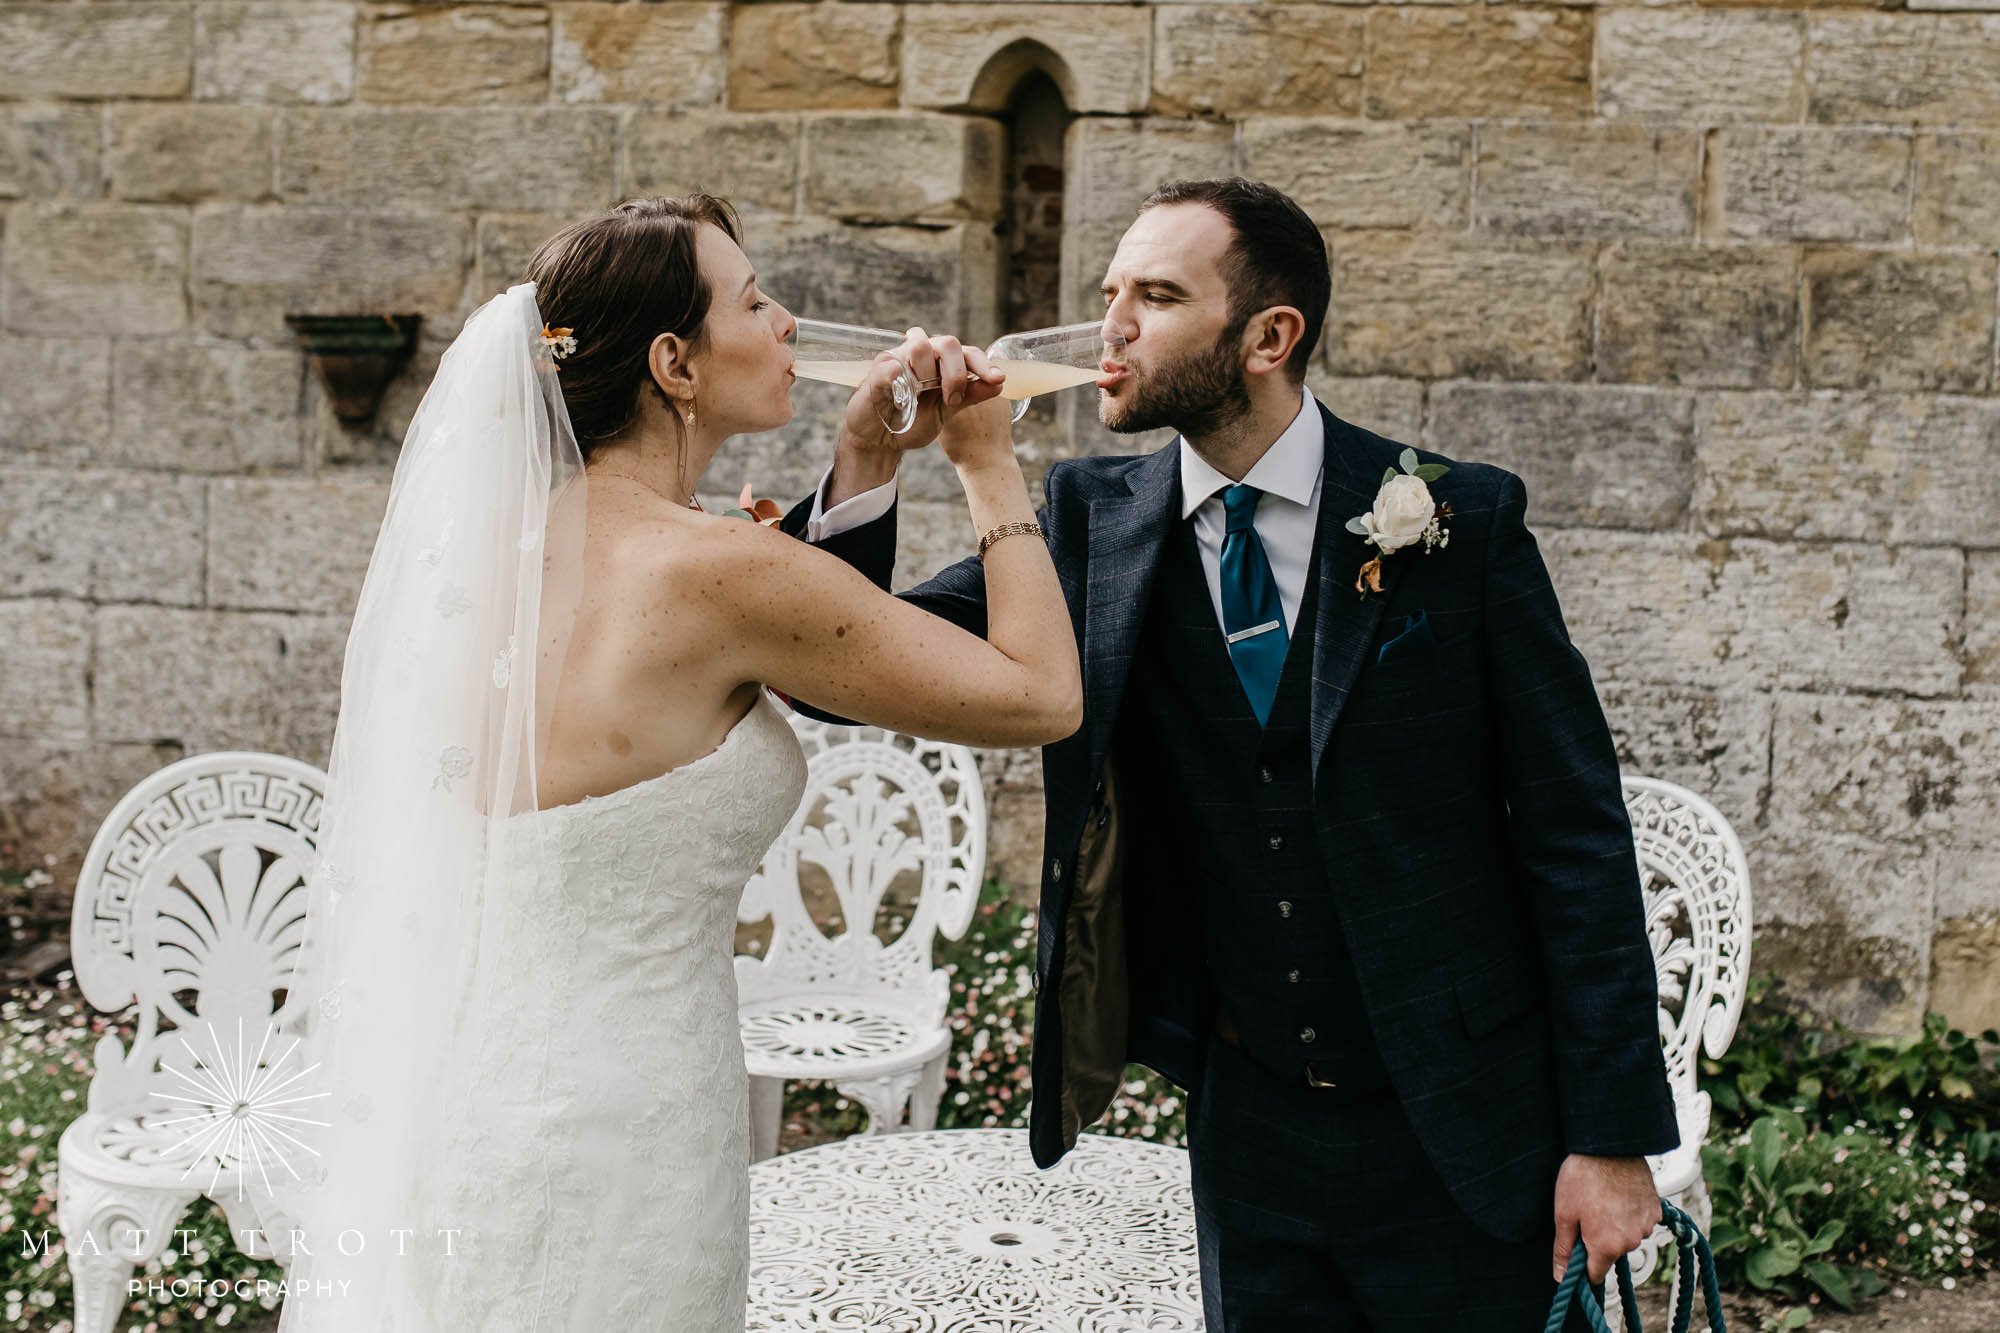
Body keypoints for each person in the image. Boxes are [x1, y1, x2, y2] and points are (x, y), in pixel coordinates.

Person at [799, 177, 1679, 1329]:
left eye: (1155, 297)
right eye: (1108, 290)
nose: (1109, 325)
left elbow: (1572, 831)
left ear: (1269, 336)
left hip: (1463, 1120)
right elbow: (854, 672)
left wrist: (1609, 1140)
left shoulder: (1459, 523)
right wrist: (868, 456)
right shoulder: (1079, 524)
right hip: (1244, 1123)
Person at [271, 194, 1080, 1331]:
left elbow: (765, 650)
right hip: (624, 1122)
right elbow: (1040, 696)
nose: (789, 321)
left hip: (459, 1098)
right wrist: (985, 463)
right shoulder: (719, 572)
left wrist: (859, 460)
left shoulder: (490, 553)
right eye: (754, 300)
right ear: (673, 362)